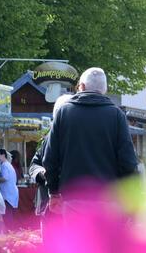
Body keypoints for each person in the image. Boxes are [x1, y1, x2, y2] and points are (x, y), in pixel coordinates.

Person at [38, 68, 140, 199]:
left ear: (82, 86)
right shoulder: (116, 115)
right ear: (104, 89)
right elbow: (128, 161)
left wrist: (54, 191)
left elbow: (50, 158)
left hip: (72, 196)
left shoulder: (64, 112)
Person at [0, 143, 20, 223]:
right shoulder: (7, 164)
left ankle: (9, 233)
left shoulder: (4, 165)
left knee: (8, 217)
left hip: (8, 195)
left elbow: (4, 178)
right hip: (10, 194)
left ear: (3, 155)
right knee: (9, 216)